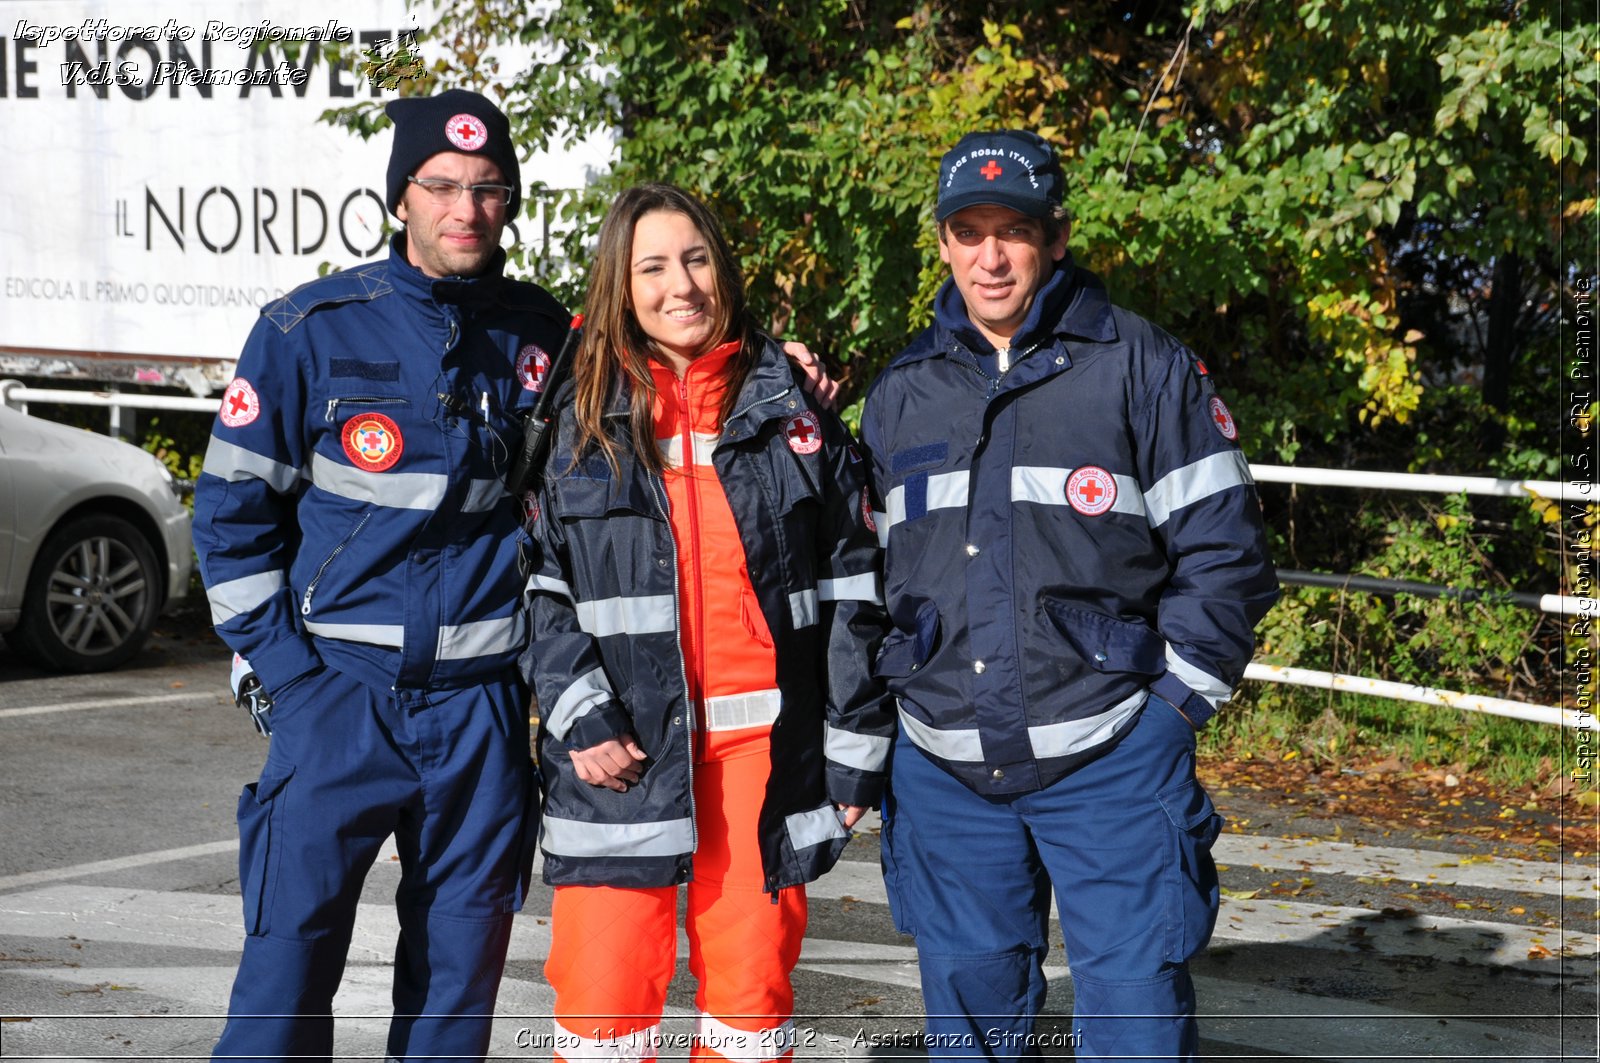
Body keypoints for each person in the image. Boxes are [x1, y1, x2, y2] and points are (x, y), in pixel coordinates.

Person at [859, 130, 1279, 1062]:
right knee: (970, 1037)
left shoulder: (1142, 366)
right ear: (942, 244)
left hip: (1113, 763)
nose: (991, 255)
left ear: (1057, 236)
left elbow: (1227, 554)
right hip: (946, 772)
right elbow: (867, 579)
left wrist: (1175, 708)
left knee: (1136, 1026)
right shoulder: (900, 393)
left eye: (1014, 229)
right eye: (968, 231)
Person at [192, 89, 565, 1060]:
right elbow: (229, 520)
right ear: (402, 196)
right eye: (441, 186)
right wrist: (290, 676)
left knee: (454, 996)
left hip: (480, 718)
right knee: (283, 981)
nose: (466, 210)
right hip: (337, 699)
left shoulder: (544, 339)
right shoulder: (308, 330)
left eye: (488, 189)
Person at [520, 183, 894, 1063]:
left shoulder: (788, 407)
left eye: (695, 259)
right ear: (620, 281)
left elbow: (852, 584)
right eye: (652, 265)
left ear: (722, 268)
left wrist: (849, 751)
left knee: (750, 1005)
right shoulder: (577, 414)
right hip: (620, 754)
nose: (680, 284)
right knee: (604, 1006)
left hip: (765, 755)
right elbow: (538, 580)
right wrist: (580, 714)